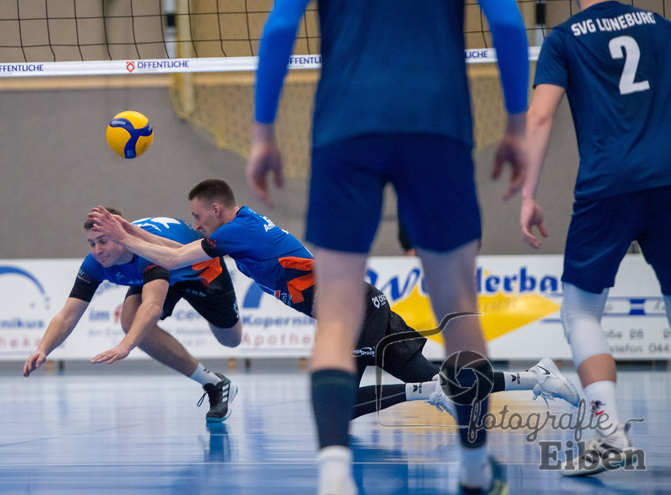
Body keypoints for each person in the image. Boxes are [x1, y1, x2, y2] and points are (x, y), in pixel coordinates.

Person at [243, 0, 531, 492]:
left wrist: (262, 132)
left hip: (346, 124)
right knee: (459, 304)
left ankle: (334, 473)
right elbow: (510, 21)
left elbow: (282, 23)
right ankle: (471, 465)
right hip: (438, 125)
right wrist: (517, 124)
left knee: (338, 308)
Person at [90, 180, 576, 422]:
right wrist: (124, 230)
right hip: (360, 307)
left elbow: (176, 259)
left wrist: (125, 236)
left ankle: (429, 396)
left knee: (338, 404)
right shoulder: (243, 227)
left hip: (353, 312)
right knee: (431, 376)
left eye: (198, 216)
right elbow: (176, 253)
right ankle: (537, 377)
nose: (195, 224)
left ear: (217, 210)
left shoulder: (237, 231)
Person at [520, 0, 671, 477]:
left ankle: (607, 436)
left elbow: (540, 117)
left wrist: (529, 193)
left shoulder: (565, 39)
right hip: (668, 180)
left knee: (582, 311)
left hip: (608, 185)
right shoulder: (661, 28)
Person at [23, 211, 243, 423]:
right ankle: (213, 383)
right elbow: (67, 316)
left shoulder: (146, 253)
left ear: (121, 236)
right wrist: (43, 349)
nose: (98, 250)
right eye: (92, 243)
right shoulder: (94, 264)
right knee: (130, 321)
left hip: (200, 271)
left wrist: (125, 346)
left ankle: (213, 312)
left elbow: (152, 306)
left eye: (103, 241)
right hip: (154, 275)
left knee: (230, 340)